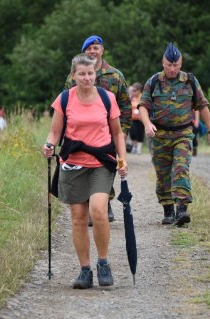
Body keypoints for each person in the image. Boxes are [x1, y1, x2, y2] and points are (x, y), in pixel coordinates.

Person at [42, 53, 128, 289]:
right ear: (73, 75)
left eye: (90, 73)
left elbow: (118, 132)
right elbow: (54, 133)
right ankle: (85, 270)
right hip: (73, 164)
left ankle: (103, 263)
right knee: (78, 218)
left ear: (95, 74)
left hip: (101, 162)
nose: (87, 78)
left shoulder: (107, 98)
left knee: (98, 210)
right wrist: (49, 145)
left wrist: (122, 159)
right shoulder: (64, 99)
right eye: (82, 74)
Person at [138, 42, 210, 226]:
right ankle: (168, 209)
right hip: (160, 135)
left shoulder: (190, 80)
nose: (172, 69)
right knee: (163, 173)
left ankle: (182, 209)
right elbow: (143, 106)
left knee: (180, 168)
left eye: (175, 65)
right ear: (163, 63)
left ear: (181, 64)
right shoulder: (154, 81)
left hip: (183, 133)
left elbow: (202, 106)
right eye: (169, 65)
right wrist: (147, 123)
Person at [64, 35, 131, 222]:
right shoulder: (73, 76)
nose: (93, 51)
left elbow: (125, 105)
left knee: (105, 165)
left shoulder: (116, 76)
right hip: (83, 134)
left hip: (110, 131)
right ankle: (92, 204)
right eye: (89, 48)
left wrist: (123, 131)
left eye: (96, 47)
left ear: (102, 50)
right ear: (84, 52)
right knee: (86, 166)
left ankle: (104, 204)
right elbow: (66, 103)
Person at [128, 82, 145, 154]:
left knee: (140, 133)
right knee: (133, 133)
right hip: (133, 119)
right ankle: (134, 147)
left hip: (141, 119)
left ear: (139, 90)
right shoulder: (131, 97)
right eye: (132, 90)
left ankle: (138, 149)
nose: (133, 92)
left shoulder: (143, 97)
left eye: (135, 90)